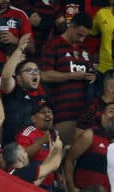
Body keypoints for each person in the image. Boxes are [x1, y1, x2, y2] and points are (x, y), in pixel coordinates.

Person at [39, 13, 94, 144]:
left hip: (84, 113)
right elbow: (44, 75)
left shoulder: (85, 49)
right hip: (62, 111)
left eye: (85, 36)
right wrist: (71, 76)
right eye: (79, 35)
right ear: (71, 26)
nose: (82, 39)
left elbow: (91, 70)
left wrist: (93, 75)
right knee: (63, 150)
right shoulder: (53, 45)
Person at [63, 102, 114, 192]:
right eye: (111, 111)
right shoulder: (90, 134)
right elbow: (69, 158)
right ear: (103, 117)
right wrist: (71, 188)